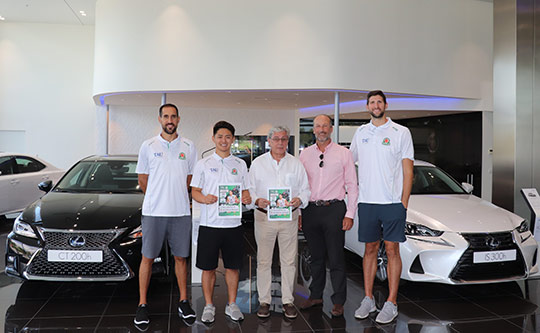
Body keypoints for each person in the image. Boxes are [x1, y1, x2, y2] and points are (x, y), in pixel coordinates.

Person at [350, 90, 414, 324]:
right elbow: (349, 163)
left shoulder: (401, 132)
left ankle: (391, 302)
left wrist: (403, 203)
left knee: (392, 251)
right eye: (372, 102)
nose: (376, 105)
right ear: (367, 106)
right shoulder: (361, 132)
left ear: (386, 105)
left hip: (392, 203)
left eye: (379, 101)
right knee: (369, 250)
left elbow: (408, 170)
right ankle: (368, 299)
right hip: (367, 202)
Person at [134, 103, 197, 327]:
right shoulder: (148, 146)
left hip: (180, 212)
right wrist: (158, 197)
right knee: (147, 258)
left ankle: (183, 301)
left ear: (178, 119)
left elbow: (190, 179)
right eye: (166, 116)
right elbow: (143, 180)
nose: (170, 120)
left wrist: (175, 194)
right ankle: (142, 304)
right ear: (159, 119)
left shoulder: (189, 146)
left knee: (181, 258)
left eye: (173, 116)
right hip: (153, 213)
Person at [190, 121, 252, 323]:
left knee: (233, 267)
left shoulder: (240, 164)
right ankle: (209, 306)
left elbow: (245, 190)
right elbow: (195, 191)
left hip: (233, 225)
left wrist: (246, 197)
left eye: (228, 137)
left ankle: (232, 304)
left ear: (233, 139)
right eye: (220, 136)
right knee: (208, 267)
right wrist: (204, 198)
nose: (224, 140)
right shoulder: (204, 164)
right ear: (213, 139)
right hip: (210, 224)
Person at [298, 114, 358, 317]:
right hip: (310, 210)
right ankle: (315, 295)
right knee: (315, 257)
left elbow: (352, 185)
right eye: (318, 126)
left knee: (336, 258)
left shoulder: (344, 153)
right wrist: (299, 212)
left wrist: (350, 213)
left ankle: (339, 301)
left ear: (331, 129)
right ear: (313, 129)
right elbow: (300, 186)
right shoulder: (305, 154)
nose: (321, 129)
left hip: (334, 209)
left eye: (325, 125)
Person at [248, 126, 310, 319]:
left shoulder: (296, 164)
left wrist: (300, 199)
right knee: (264, 261)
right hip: (264, 217)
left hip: (288, 217)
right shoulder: (258, 163)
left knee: (289, 261)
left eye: (284, 139)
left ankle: (288, 301)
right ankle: (264, 301)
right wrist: (257, 200)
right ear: (269, 141)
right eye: (276, 139)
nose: (280, 143)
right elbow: (249, 190)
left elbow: (305, 189)